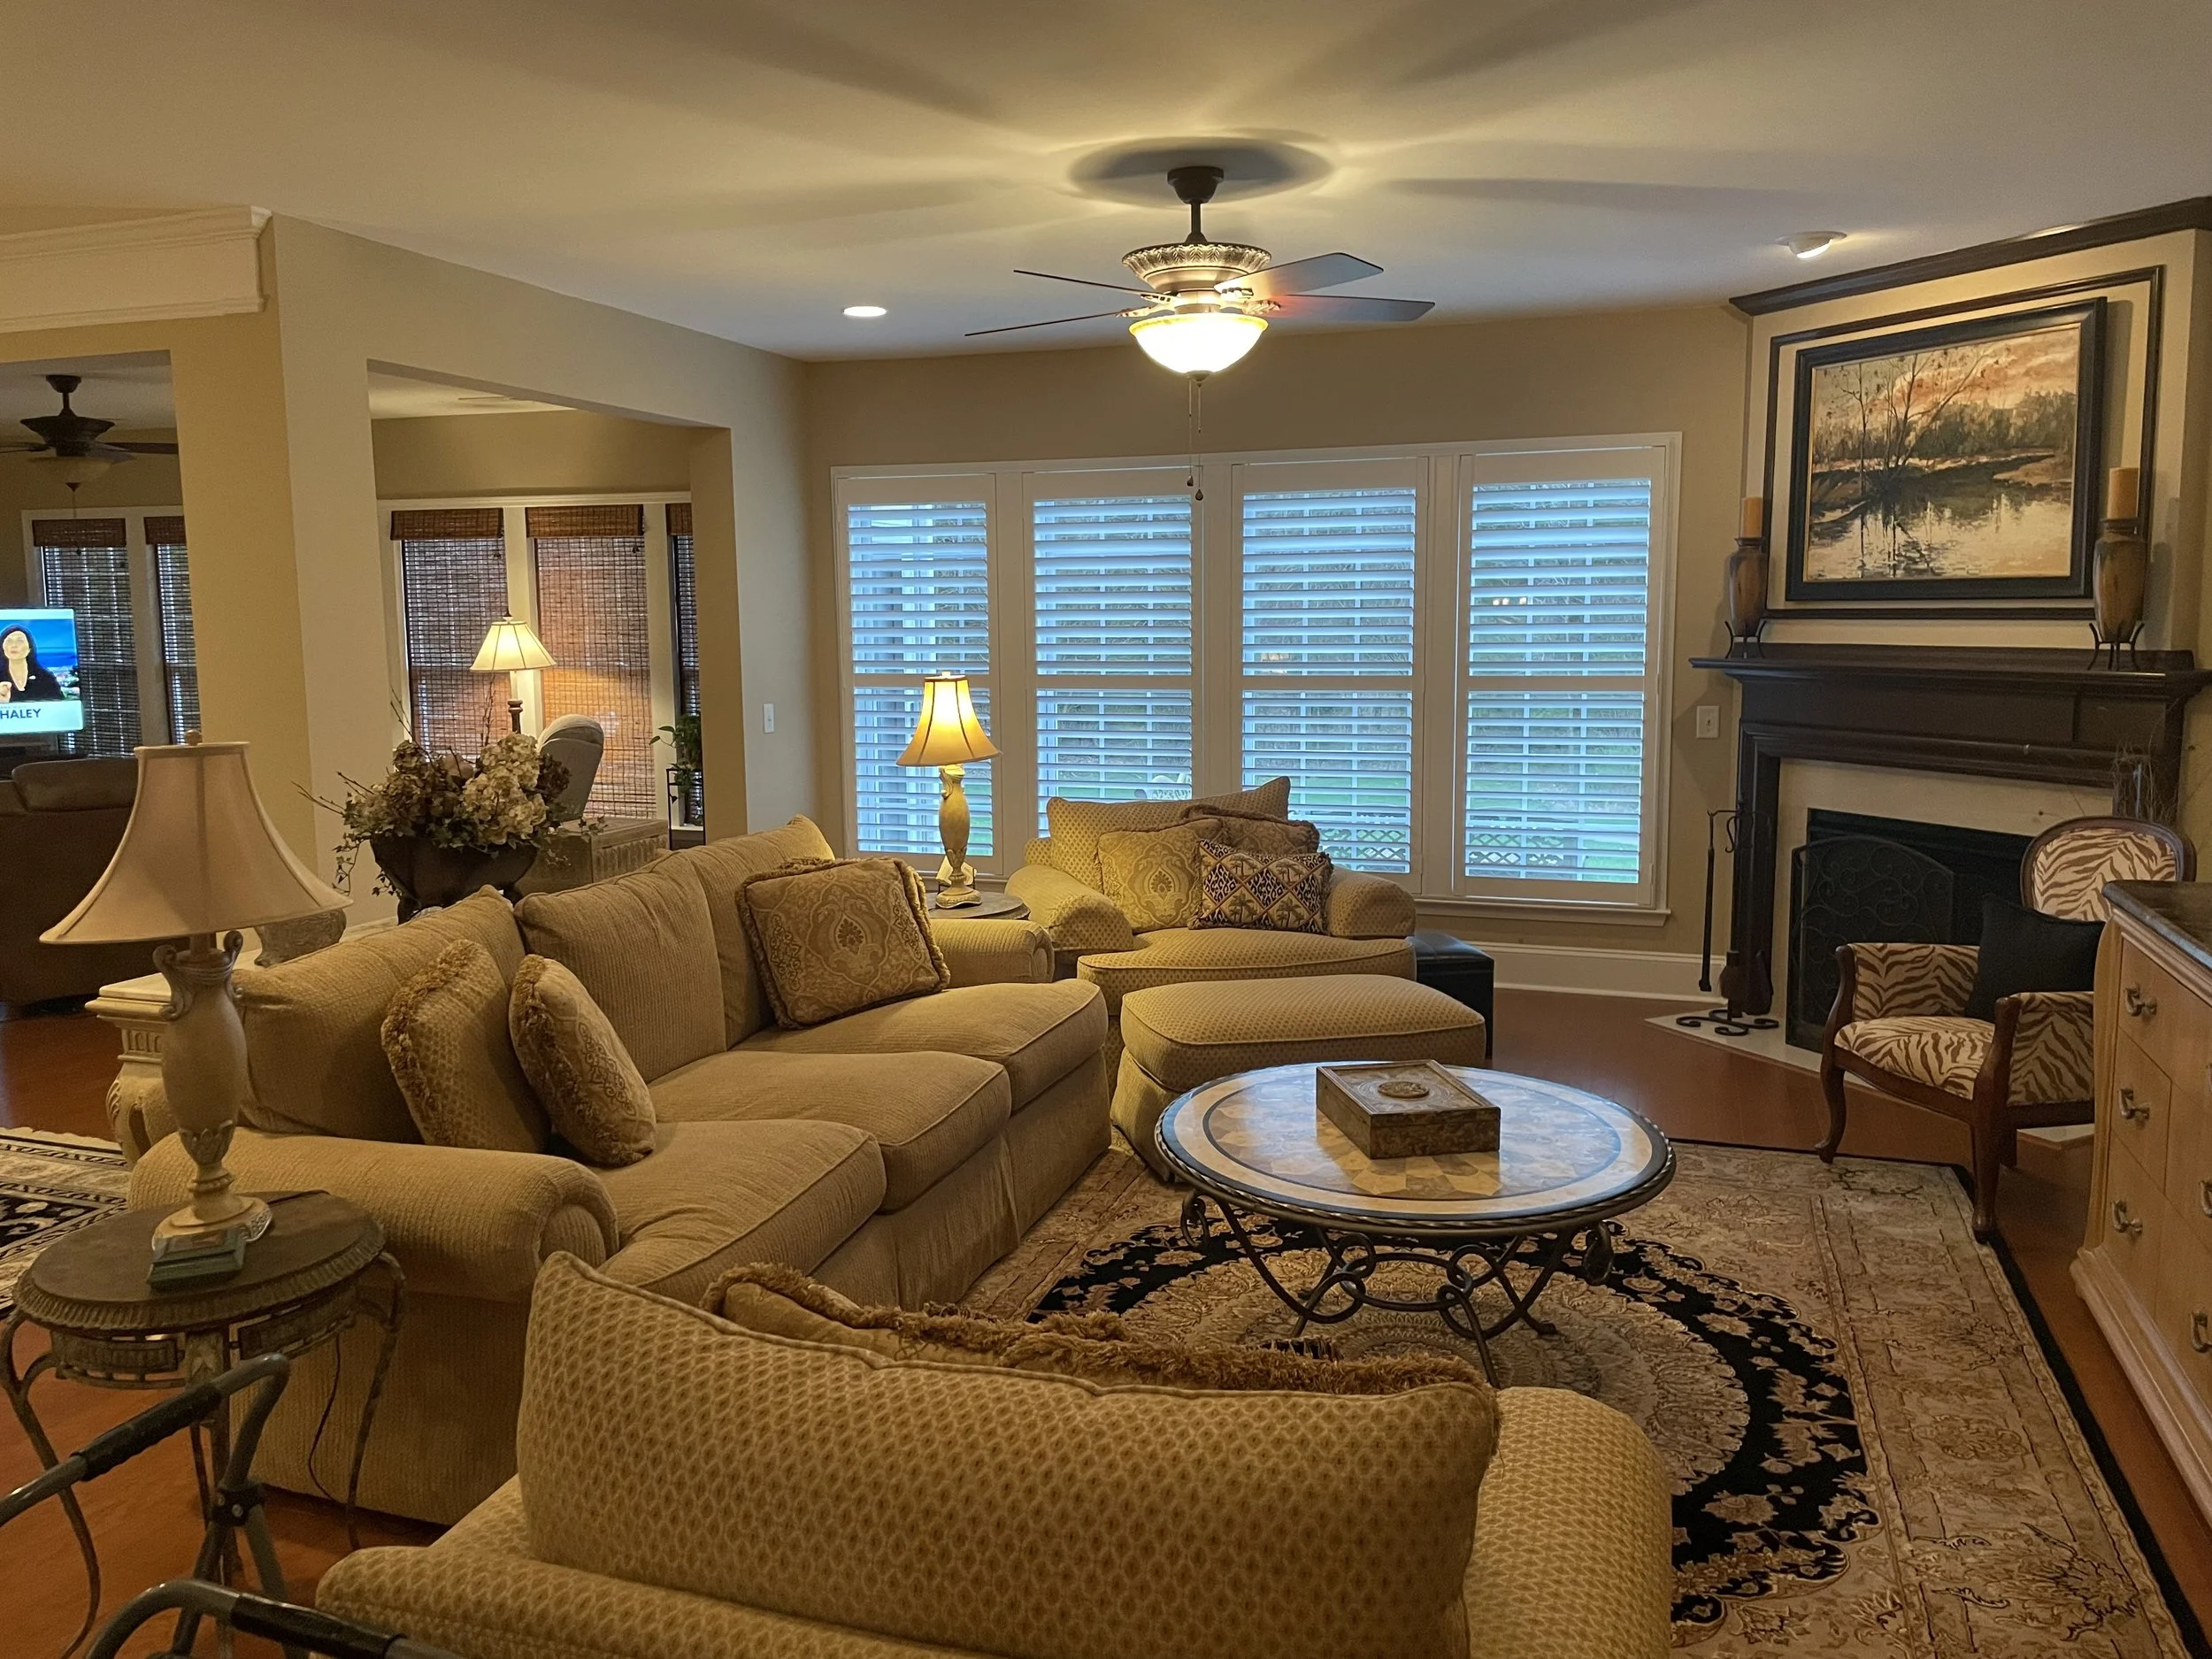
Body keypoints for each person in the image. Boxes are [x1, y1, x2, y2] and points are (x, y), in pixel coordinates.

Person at [0, 624, 64, 703]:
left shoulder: (45, 677)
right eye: (9, 641)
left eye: (20, 641)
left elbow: (59, 705)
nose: (14, 645)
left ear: (30, 648)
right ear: (2, 647)